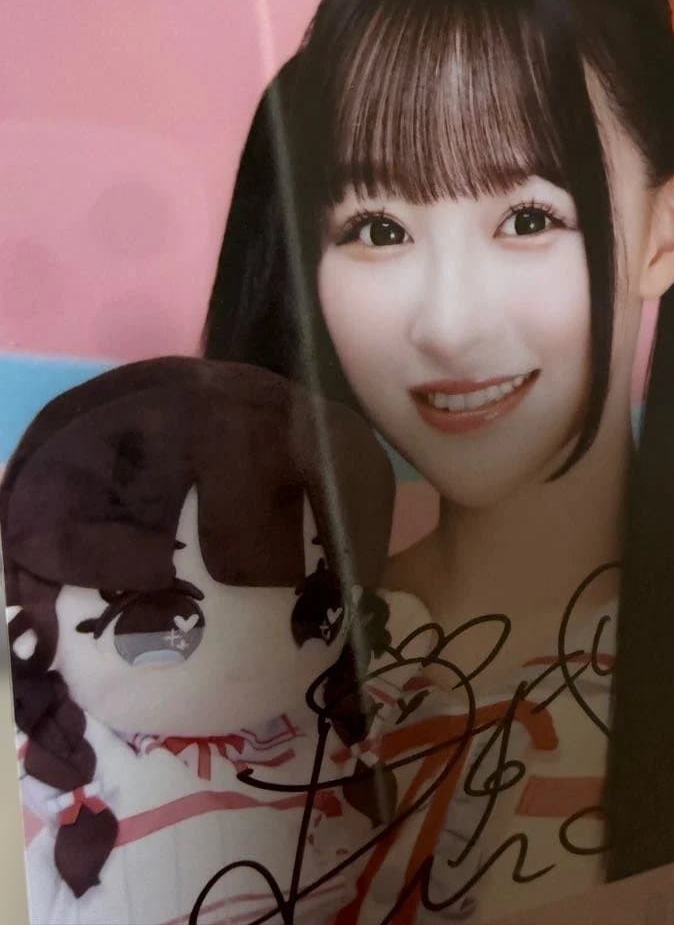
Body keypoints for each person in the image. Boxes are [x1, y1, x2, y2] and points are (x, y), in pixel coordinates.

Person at [203, 0, 674, 918]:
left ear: (668, 230)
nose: (447, 324)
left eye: (527, 217)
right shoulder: (285, 650)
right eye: (378, 228)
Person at [1, 356, 398, 924]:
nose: (236, 655)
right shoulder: (67, 759)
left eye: (315, 610)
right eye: (158, 617)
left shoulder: (323, 741)